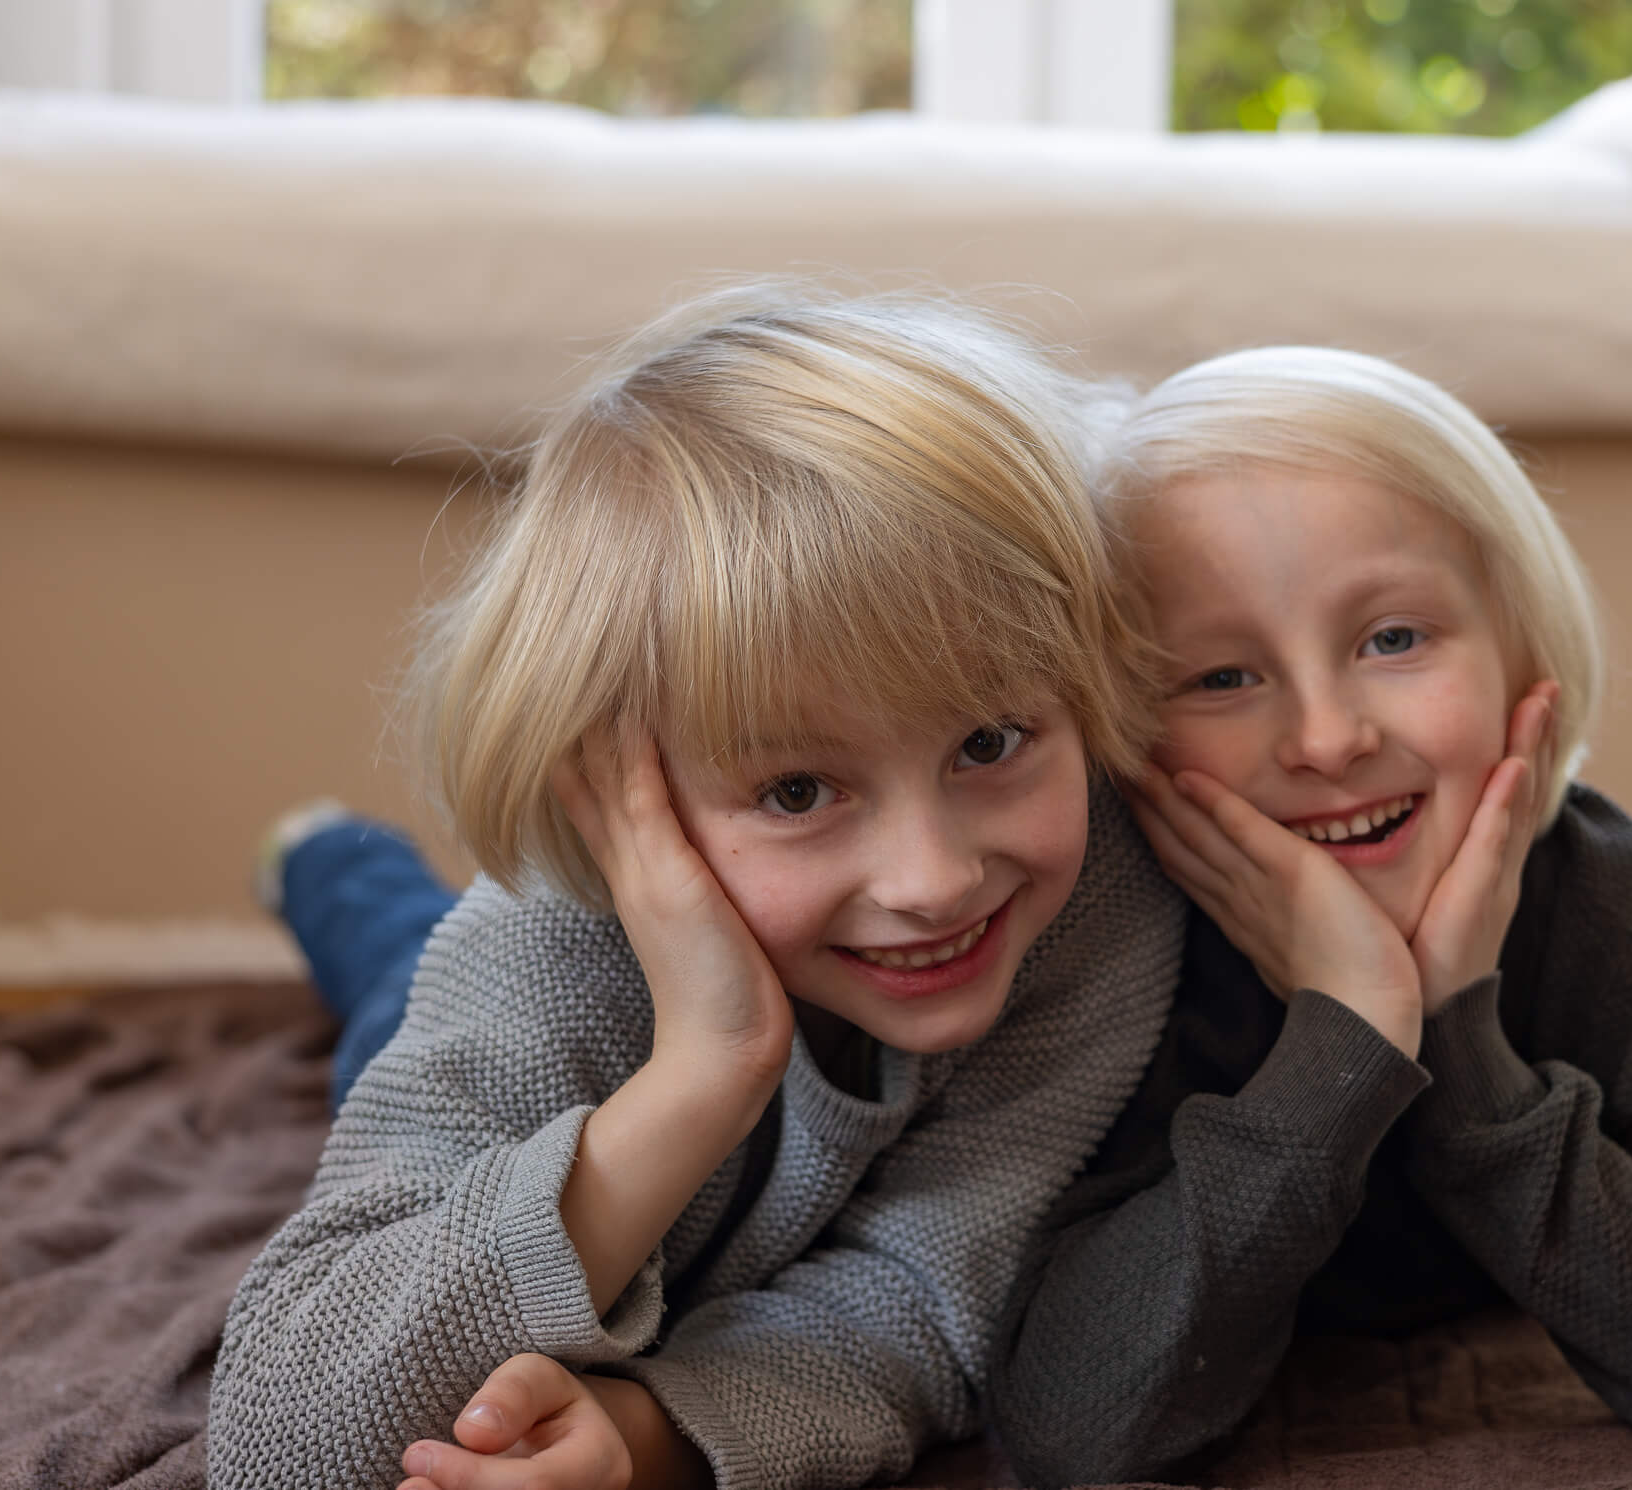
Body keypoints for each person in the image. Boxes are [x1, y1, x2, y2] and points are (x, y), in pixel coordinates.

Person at [205, 288, 1187, 1490]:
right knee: (390, 956)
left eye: (988, 743)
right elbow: (278, 1440)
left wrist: (648, 1432)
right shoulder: (542, 953)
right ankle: (321, 861)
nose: (935, 880)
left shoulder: (1087, 899)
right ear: (615, 788)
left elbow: (929, 1301)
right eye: (796, 792)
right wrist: (700, 1072)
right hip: (504, 1039)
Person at [988, 347, 1632, 1484]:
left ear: (1521, 647)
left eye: (1393, 639)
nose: (1328, 738)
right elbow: (1071, 1433)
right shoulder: (1109, 930)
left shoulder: (1617, 905)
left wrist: (1456, 1029)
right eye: (1221, 678)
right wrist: (1345, 1031)